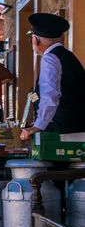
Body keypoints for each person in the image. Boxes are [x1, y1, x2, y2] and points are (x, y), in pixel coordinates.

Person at [20, 13, 85, 141]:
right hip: (78, 127)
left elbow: (49, 96)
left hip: (64, 131)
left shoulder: (50, 58)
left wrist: (37, 126)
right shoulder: (69, 56)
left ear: (35, 40)